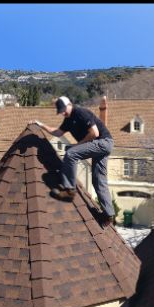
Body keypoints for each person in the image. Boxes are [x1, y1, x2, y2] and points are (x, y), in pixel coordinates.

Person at [35, 96, 115, 226]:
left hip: (103, 142)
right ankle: (108, 215)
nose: (63, 113)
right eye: (60, 111)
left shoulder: (80, 112)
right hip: (102, 145)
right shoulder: (68, 120)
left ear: (69, 104)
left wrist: (78, 145)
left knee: (71, 153)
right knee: (98, 180)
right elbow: (57, 132)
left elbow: (94, 133)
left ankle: (69, 190)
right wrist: (40, 125)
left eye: (63, 110)